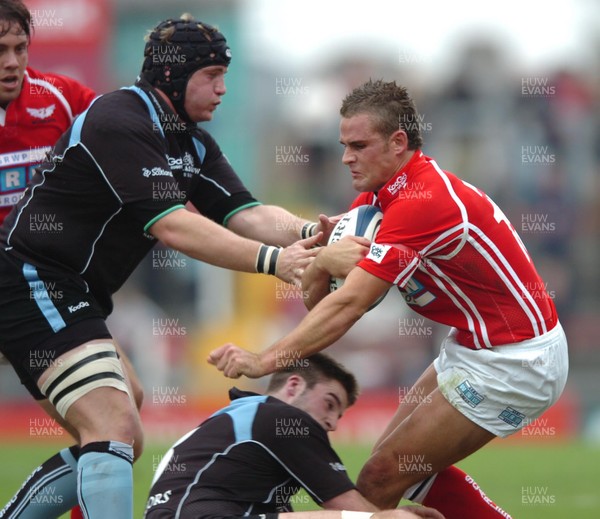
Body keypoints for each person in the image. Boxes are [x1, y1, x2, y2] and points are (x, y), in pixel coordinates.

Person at [0, 12, 329, 519]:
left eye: (225, 76)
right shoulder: (120, 119)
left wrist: (319, 234)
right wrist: (275, 262)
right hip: (30, 279)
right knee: (111, 426)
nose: (223, 89)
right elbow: (173, 225)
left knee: (121, 434)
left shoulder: (189, 141)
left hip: (68, 292)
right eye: (212, 77)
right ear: (174, 78)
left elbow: (251, 214)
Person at [208, 79, 569, 518]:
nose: (346, 158)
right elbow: (322, 303)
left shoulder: (423, 201)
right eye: (343, 145)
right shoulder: (378, 200)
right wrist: (322, 263)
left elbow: (349, 306)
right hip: (475, 348)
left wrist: (264, 362)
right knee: (403, 474)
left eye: (359, 145)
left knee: (378, 480)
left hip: (517, 362)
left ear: (399, 142)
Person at [0, 2, 142, 518]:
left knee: (123, 419)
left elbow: (127, 140)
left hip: (37, 290)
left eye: (20, 48)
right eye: (0, 51)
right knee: (111, 425)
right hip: (22, 293)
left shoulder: (61, 99)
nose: (12, 62)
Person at [146, 353, 443, 519]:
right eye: (329, 404)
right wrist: (393, 517)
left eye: (339, 416)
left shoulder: (244, 421)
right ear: (293, 386)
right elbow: (348, 508)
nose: (331, 424)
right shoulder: (282, 418)